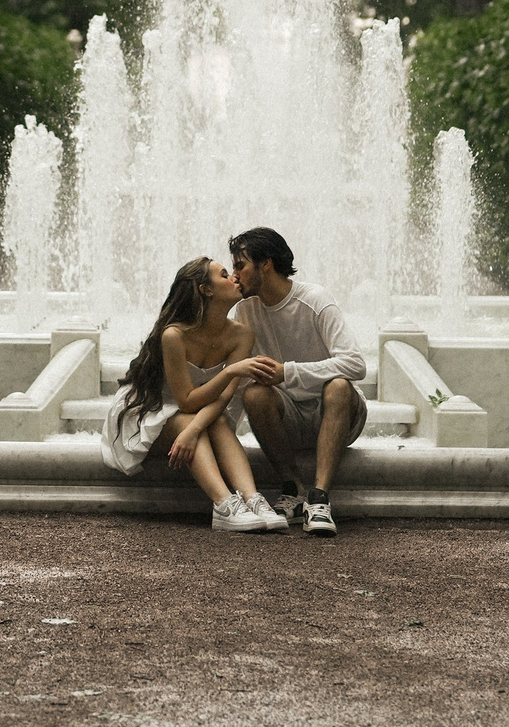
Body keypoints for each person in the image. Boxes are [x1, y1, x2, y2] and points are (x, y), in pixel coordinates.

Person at [98, 257, 286, 532]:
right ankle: (224, 505)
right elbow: (185, 400)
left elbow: (222, 400)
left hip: (203, 412)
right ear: (205, 289)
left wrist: (193, 429)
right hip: (149, 411)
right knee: (190, 421)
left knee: (215, 421)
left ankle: (253, 500)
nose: (234, 277)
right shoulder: (174, 335)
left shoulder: (242, 334)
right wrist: (230, 372)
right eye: (224, 275)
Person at [227, 227, 366, 537]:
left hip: (336, 411)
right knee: (255, 394)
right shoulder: (244, 309)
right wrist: (223, 433)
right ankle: (293, 488)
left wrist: (287, 372)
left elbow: (355, 363)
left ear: (265, 264)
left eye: (240, 266)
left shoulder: (315, 299)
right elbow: (237, 379)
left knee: (340, 384)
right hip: (288, 417)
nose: (234, 276)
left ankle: (319, 498)